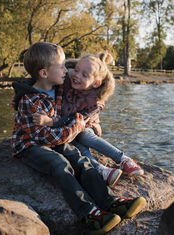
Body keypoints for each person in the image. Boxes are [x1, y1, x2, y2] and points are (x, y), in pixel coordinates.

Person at [10, 42, 146, 234]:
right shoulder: (30, 100)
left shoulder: (57, 87)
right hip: (30, 145)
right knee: (59, 164)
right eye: (63, 66)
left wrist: (95, 112)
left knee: (81, 160)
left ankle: (110, 202)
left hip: (54, 139)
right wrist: (76, 126)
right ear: (44, 73)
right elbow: (46, 137)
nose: (68, 71)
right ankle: (89, 213)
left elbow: (89, 86)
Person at [34, 51, 144, 186]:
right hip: (66, 127)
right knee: (74, 144)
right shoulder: (66, 77)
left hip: (84, 126)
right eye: (76, 70)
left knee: (82, 135)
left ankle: (123, 159)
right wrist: (21, 93)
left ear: (96, 83)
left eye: (84, 75)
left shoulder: (95, 102)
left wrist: (51, 121)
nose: (76, 75)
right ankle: (102, 170)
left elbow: (76, 122)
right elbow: (40, 77)